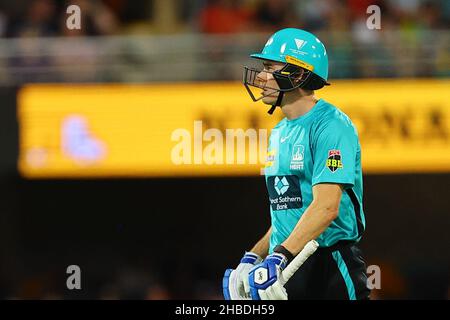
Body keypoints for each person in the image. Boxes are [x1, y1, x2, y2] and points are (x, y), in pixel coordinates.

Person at [222, 28, 370, 300]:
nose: (261, 76)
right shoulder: (279, 131)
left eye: (269, 67)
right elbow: (287, 213)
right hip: (290, 261)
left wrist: (279, 256)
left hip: (330, 265)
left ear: (299, 74)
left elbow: (326, 207)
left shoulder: (332, 125)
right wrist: (254, 255)